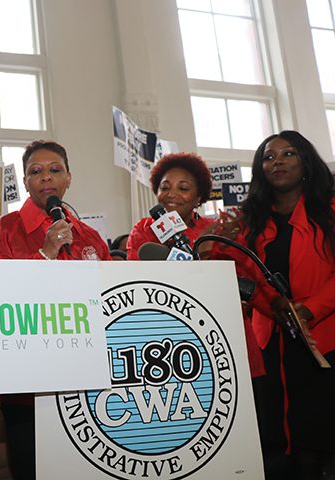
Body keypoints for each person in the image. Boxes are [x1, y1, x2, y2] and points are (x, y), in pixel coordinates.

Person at [0, 140, 111, 480]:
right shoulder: (2, 231)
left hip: (87, 382)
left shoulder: (90, 236)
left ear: (69, 178)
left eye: (55, 170)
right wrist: (46, 252)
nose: (46, 177)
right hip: (27, 385)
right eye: (35, 171)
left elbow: (109, 301)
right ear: (25, 182)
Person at [215, 131, 335, 479]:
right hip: (271, 340)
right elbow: (241, 275)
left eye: (288, 154)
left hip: (322, 340)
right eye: (268, 157)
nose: (277, 161)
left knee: (315, 436)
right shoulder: (249, 219)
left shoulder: (329, 211)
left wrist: (309, 309)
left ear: (305, 162)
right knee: (277, 443)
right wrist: (272, 303)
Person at [126, 152, 216, 260]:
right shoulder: (145, 229)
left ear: (198, 198)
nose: (171, 195)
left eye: (183, 188)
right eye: (165, 187)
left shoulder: (214, 230)